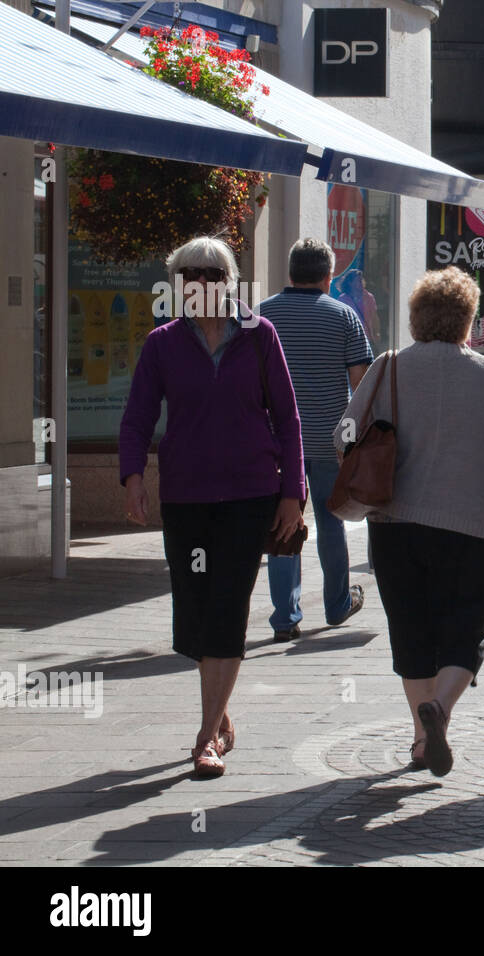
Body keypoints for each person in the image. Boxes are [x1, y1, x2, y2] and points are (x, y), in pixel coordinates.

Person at [334, 268, 484, 777]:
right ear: (468, 320)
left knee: (410, 630)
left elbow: (343, 433)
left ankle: (418, 735)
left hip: (394, 528)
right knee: (466, 629)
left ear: (415, 317)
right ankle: (441, 711)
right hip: (468, 534)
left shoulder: (387, 367)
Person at [120, 236, 306, 778]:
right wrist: (133, 476)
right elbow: (136, 417)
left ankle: (205, 738)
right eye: (190, 275)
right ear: (178, 285)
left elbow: (288, 417)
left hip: (251, 495)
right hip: (186, 496)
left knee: (228, 607)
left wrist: (292, 492)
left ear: (228, 281)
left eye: (211, 273)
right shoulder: (162, 344)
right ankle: (220, 712)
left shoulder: (260, 336)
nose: (201, 282)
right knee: (196, 620)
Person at [259, 239, 371, 642]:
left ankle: (285, 618)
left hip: (276, 447)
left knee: (283, 526)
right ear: (329, 275)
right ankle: (337, 603)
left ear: (289, 273)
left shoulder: (262, 315)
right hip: (329, 442)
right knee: (331, 524)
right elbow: (361, 385)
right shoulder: (344, 316)